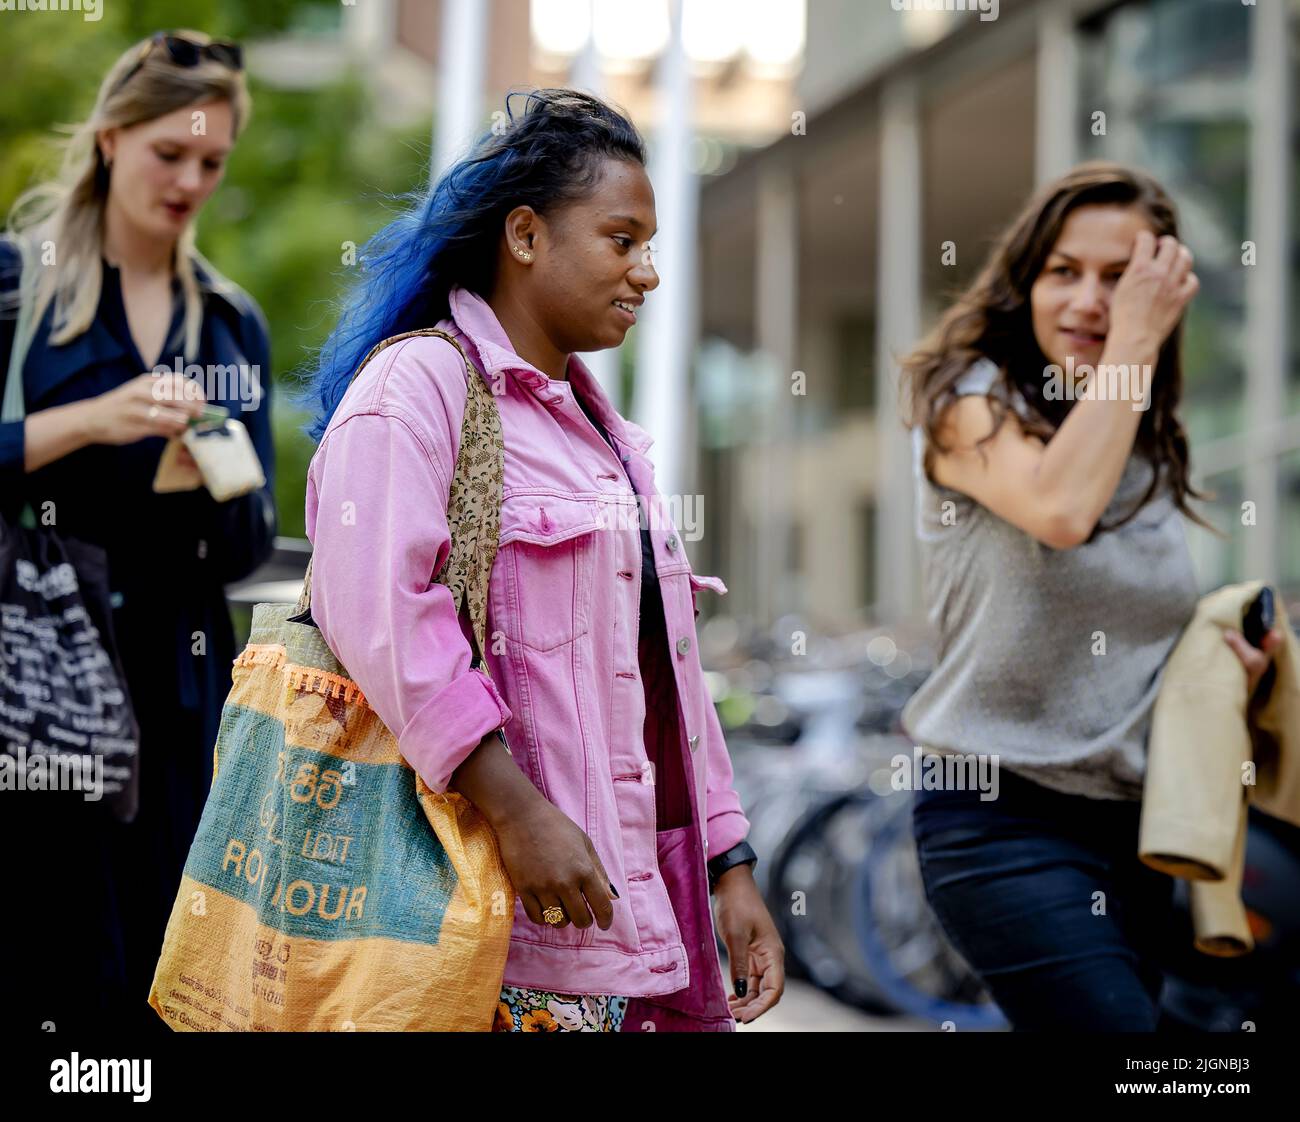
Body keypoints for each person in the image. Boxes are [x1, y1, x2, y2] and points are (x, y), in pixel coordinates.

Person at [300, 88, 783, 1031]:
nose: (646, 274)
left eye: (649, 248)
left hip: (632, 919)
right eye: (620, 239)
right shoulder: (418, 388)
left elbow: (668, 675)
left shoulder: (611, 440)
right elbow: (380, 618)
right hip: (484, 916)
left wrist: (729, 867)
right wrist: (516, 811)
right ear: (525, 236)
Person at [899, 162, 1284, 1032]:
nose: (1088, 299)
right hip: (999, 820)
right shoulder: (969, 404)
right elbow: (1062, 511)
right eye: (1064, 271)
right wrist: (1134, 344)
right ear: (1026, 279)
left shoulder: (1147, 446)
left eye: (1120, 279)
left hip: (1136, 829)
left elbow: (1128, 627)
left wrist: (1225, 664)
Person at [0, 31, 277, 1032]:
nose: (191, 181)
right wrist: (91, 421)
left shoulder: (230, 324)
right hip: (39, 670)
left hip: (180, 678)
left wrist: (206, 479)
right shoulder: (17, 290)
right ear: (113, 140)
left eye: (212, 162)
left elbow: (250, 544)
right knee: (48, 964)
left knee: (176, 972)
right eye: (170, 153)